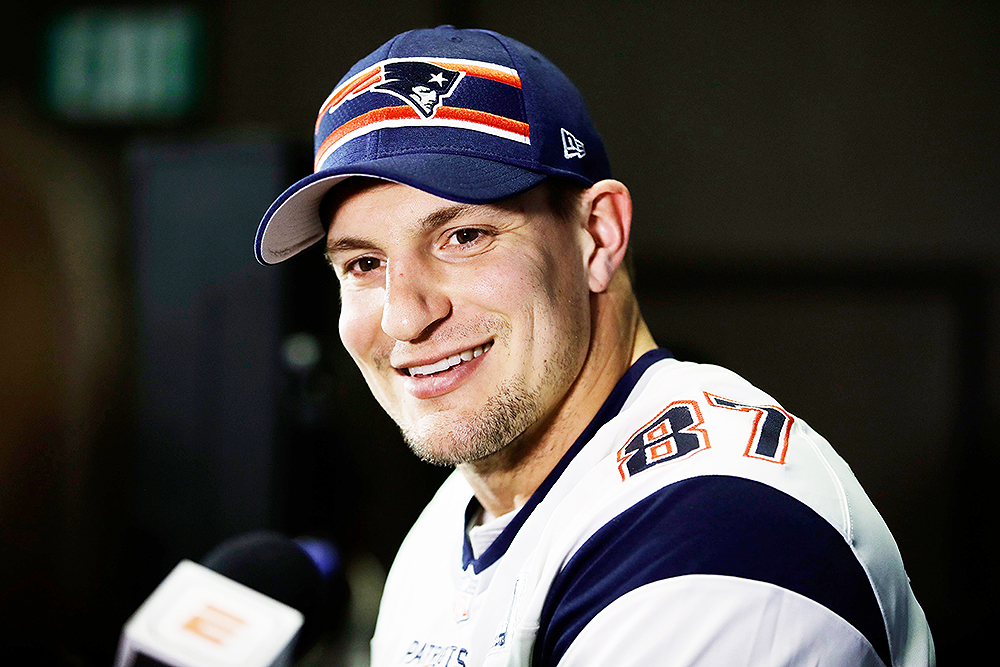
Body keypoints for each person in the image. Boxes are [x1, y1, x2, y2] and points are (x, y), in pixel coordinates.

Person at [255, 25, 934, 667]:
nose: (405, 316)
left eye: (463, 237)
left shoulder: (721, 532)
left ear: (599, 235)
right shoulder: (450, 526)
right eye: (363, 264)